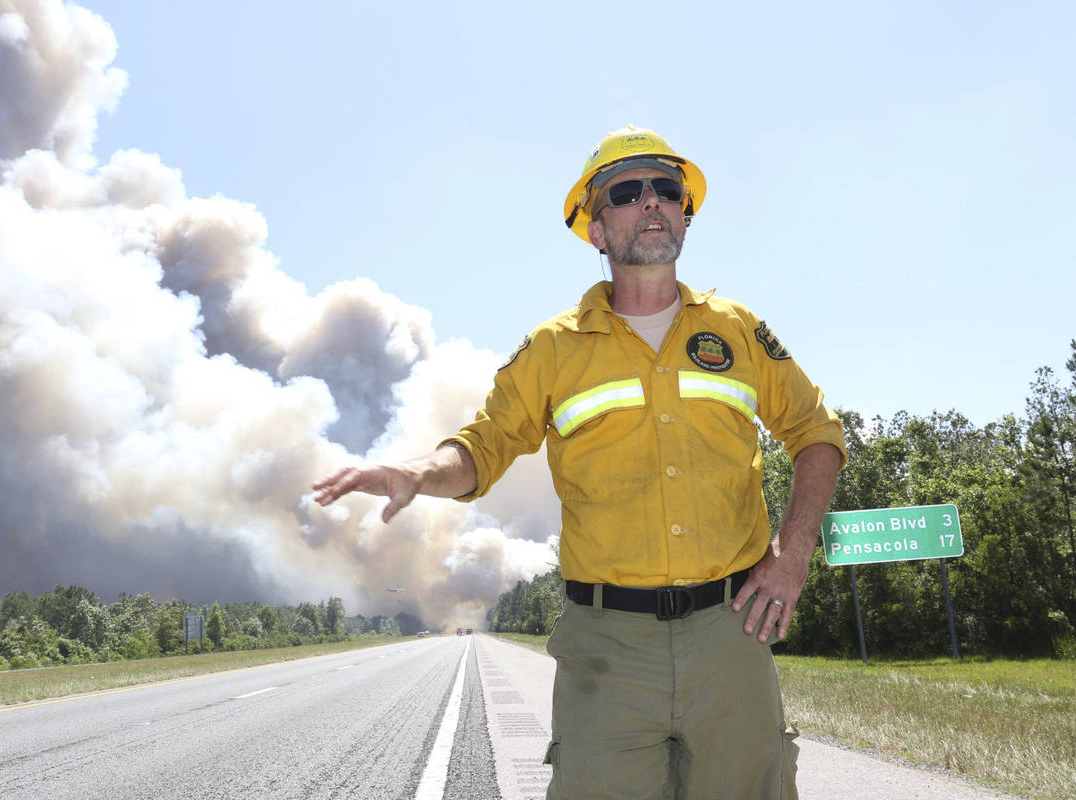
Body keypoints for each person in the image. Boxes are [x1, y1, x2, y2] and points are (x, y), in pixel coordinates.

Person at [312, 125, 846, 800]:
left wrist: (793, 553)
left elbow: (817, 432)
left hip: (730, 634)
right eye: (627, 191)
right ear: (596, 230)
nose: (651, 201)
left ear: (686, 210)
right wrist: (420, 472)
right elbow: (482, 447)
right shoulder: (553, 350)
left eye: (667, 188)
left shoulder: (738, 330)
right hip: (606, 650)